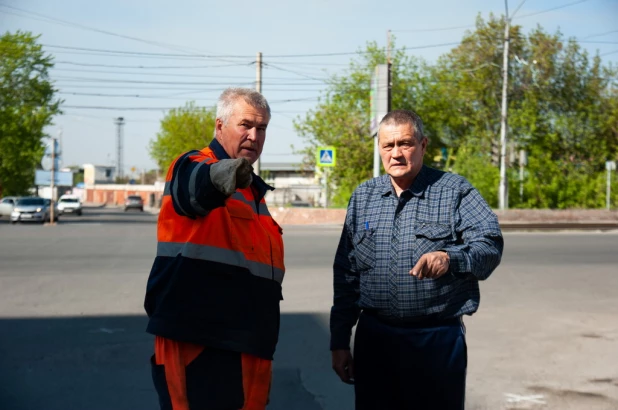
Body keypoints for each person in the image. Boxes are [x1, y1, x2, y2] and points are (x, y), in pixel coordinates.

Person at [330, 110, 504, 409]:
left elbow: (489, 246)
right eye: (388, 145)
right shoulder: (364, 197)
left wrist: (451, 258)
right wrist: (339, 341)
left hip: (435, 340)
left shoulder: (455, 191)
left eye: (405, 143)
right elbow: (346, 274)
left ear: (423, 145)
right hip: (375, 339)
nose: (396, 153)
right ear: (380, 149)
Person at [144, 88, 285, 410]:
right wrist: (223, 173)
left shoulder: (252, 192)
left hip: (248, 341)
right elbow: (194, 187)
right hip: (200, 342)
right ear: (220, 125)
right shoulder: (193, 164)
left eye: (261, 128)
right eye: (245, 125)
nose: (253, 135)